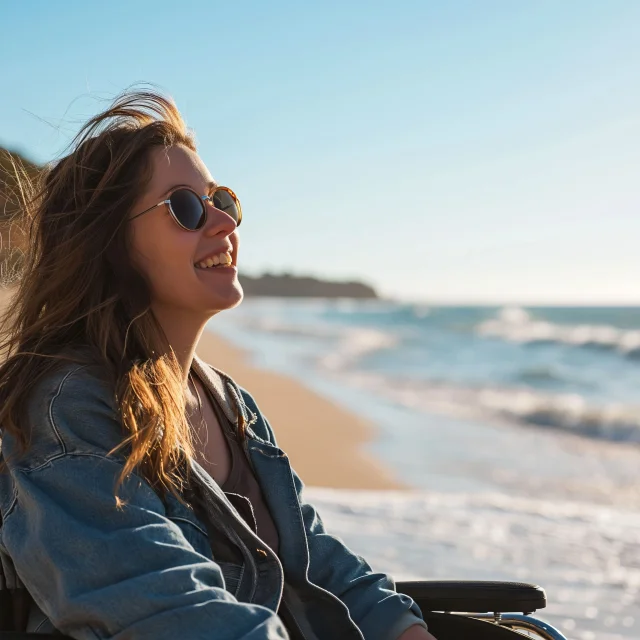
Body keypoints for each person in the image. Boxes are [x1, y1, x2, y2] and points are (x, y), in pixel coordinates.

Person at [0, 89, 436, 639]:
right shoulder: (67, 410)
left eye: (222, 201)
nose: (224, 226)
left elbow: (316, 559)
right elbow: (160, 607)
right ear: (109, 245)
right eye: (185, 207)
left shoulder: (229, 402)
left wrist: (403, 628)